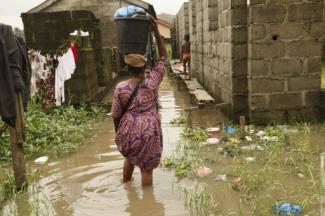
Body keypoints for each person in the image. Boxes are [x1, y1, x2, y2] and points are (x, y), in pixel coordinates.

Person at [110, 18, 167, 186]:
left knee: (129, 158)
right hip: (149, 129)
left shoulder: (121, 88)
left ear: (128, 69)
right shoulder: (152, 81)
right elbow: (163, 57)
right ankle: (147, 207)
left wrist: (118, 133)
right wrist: (156, 31)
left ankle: (127, 188)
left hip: (128, 129)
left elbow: (115, 115)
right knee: (146, 169)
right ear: (144, 68)